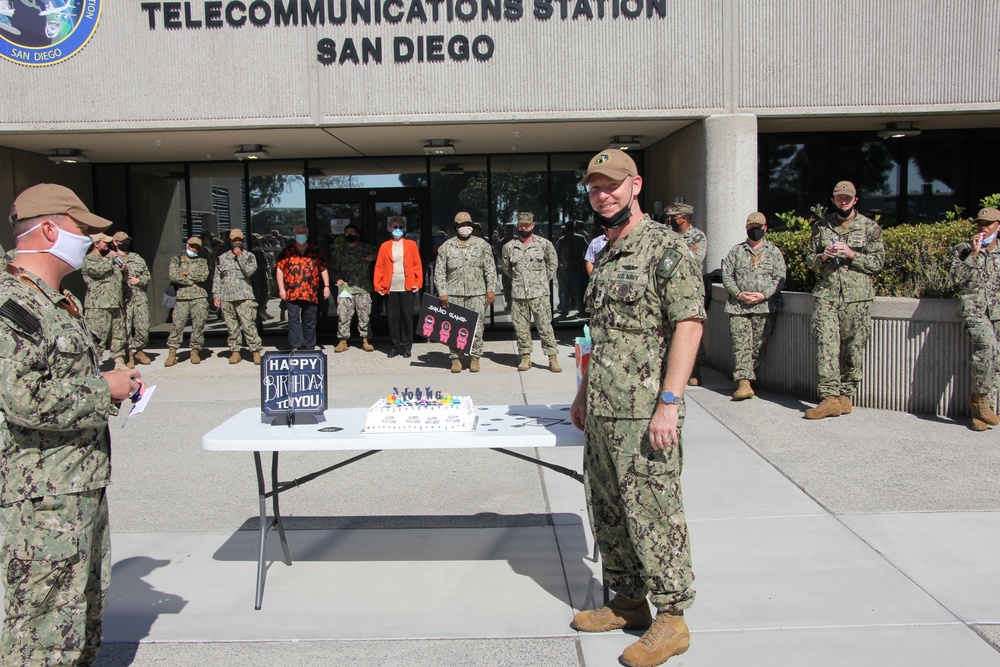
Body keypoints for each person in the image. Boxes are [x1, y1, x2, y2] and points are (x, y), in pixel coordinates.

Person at [0, 183, 145, 665]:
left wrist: (108, 378)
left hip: (77, 487)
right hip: (41, 500)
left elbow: (61, 377)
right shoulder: (13, 308)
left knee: (79, 619)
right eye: (79, 230)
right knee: (41, 633)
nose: (87, 240)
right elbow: (26, 399)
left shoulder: (59, 301)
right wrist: (106, 390)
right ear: (47, 230)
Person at [569, 150, 704, 667]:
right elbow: (600, 336)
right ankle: (628, 602)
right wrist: (583, 392)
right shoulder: (606, 251)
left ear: (635, 185)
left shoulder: (666, 249)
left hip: (645, 412)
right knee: (608, 511)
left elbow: (688, 327)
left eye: (612, 185)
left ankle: (672, 619)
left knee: (653, 512)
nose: (603, 194)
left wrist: (669, 402)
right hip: (604, 408)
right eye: (595, 187)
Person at [804, 180, 885, 419]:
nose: (843, 201)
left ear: (855, 200)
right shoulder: (821, 226)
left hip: (857, 298)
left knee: (854, 347)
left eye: (847, 198)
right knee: (826, 345)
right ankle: (829, 398)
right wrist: (823, 256)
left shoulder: (870, 227)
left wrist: (852, 255)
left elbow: (878, 263)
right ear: (833, 200)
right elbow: (809, 260)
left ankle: (846, 395)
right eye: (839, 198)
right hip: (827, 295)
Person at [721, 212, 786, 400]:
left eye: (758, 227)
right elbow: (727, 276)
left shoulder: (774, 252)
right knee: (740, 344)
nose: (754, 230)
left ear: (765, 228)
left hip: (764, 307)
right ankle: (743, 381)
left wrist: (764, 294)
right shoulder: (736, 251)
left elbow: (780, 277)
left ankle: (750, 379)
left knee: (758, 345)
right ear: (746, 228)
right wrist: (739, 293)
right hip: (738, 307)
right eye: (751, 227)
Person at [950, 206, 1000, 431]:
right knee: (987, 348)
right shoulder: (963, 250)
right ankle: (979, 399)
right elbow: (955, 280)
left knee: (996, 361)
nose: (983, 227)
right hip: (975, 311)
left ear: (998, 226)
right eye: (980, 223)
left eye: (988, 224)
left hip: (998, 312)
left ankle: (982, 413)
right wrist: (974, 254)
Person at [434, 211, 496, 372]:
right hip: (453, 293)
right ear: (456, 227)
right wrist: (442, 292)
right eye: (462, 225)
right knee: (454, 327)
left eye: (468, 225)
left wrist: (490, 290)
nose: (465, 228)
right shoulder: (446, 247)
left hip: (477, 293)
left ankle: (475, 357)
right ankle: (456, 358)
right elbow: (440, 272)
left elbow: (490, 269)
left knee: (476, 326)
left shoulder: (483, 245)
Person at [501, 212, 561, 372]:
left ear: (533, 225)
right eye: (521, 225)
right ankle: (525, 357)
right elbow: (507, 269)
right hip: (519, 295)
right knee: (521, 328)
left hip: (539, 294)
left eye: (527, 225)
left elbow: (553, 263)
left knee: (545, 326)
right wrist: (520, 280)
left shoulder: (544, 244)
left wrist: (541, 280)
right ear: (517, 226)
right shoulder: (508, 247)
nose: (524, 227)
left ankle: (552, 358)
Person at [664, 203, 708, 386]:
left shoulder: (697, 237)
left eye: (673, 217)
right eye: (668, 217)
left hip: (690, 290)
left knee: (689, 328)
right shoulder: (667, 235)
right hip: (668, 288)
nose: (669, 220)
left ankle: (694, 368)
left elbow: (692, 260)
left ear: (685, 217)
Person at [374, 215, 422, 358]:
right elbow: (379, 267)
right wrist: (378, 285)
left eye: (400, 227)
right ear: (390, 228)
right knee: (392, 318)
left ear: (404, 228)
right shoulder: (384, 246)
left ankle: (407, 346)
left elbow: (417, 265)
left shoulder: (411, 244)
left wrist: (418, 283)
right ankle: (395, 345)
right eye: (395, 227)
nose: (398, 230)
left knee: (407, 316)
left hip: (407, 286)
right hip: (390, 286)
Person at [276, 224, 331, 351]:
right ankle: (295, 345)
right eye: (298, 232)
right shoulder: (287, 250)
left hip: (310, 292)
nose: (301, 235)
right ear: (294, 235)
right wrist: (281, 289)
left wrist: (326, 286)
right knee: (293, 320)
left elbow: (323, 269)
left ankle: (308, 346)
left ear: (308, 234)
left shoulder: (315, 251)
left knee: (309, 321)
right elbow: (280, 269)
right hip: (291, 291)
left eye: (303, 232)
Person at [213, 228, 263, 365]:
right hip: (227, 297)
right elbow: (217, 278)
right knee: (232, 327)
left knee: (248, 325)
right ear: (230, 240)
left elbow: (249, 272)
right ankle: (235, 351)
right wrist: (216, 295)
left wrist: (240, 256)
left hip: (244, 296)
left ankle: (255, 351)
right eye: (234, 240)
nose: (237, 242)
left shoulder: (249, 256)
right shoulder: (222, 258)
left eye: (239, 240)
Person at [82, 231, 128, 370]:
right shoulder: (89, 259)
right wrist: (112, 258)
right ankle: (93, 365)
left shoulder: (111, 259)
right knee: (98, 336)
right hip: (98, 305)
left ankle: (119, 361)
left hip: (115, 302)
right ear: (96, 244)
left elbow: (122, 278)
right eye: (105, 242)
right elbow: (100, 270)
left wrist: (123, 269)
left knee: (119, 334)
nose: (108, 245)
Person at [330, 223, 377, 353]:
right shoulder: (339, 250)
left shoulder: (366, 248)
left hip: (363, 286)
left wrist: (373, 257)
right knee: (343, 314)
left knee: (364, 314)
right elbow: (333, 268)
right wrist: (337, 278)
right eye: (347, 232)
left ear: (357, 234)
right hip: (345, 287)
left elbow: (382, 254)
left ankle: (366, 339)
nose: (349, 234)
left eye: (352, 231)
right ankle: (342, 341)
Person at [165, 236, 210, 366]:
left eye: (196, 248)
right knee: (177, 325)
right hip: (182, 297)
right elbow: (173, 276)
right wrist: (191, 280)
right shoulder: (176, 260)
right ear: (187, 245)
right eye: (192, 246)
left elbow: (204, 276)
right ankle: (172, 353)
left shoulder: (202, 261)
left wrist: (186, 274)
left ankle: (195, 351)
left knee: (199, 324)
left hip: (199, 297)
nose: (194, 249)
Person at [112, 231, 152, 368]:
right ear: (115, 242)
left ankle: (139, 350)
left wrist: (139, 280)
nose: (126, 243)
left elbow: (147, 275)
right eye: (123, 241)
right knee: (125, 327)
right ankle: (128, 354)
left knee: (143, 325)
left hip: (139, 296)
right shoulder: (111, 259)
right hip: (124, 297)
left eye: (127, 241)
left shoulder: (137, 258)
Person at [554, 221, 589, 316]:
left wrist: (560, 263)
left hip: (566, 267)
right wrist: (584, 261)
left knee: (566, 289)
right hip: (577, 266)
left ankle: (565, 309)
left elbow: (557, 252)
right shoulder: (580, 238)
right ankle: (580, 308)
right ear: (574, 228)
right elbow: (588, 249)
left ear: (566, 228)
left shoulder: (562, 240)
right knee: (579, 288)